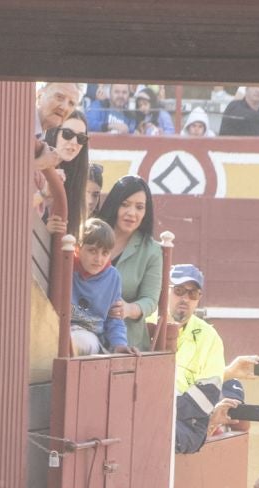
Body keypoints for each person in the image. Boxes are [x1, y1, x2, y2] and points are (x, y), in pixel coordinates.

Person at [156, 263, 258, 453]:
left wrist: (165, 411)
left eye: (192, 294)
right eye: (178, 290)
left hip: (186, 426)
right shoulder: (144, 322)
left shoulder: (209, 337)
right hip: (147, 415)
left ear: (199, 299)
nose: (185, 298)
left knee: (156, 433)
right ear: (164, 291)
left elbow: (207, 392)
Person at [100, 175, 163, 351]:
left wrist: (128, 309)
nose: (132, 213)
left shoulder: (152, 250)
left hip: (128, 342)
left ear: (146, 212)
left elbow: (150, 300)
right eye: (125, 204)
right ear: (114, 204)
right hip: (84, 331)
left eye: (139, 207)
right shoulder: (92, 233)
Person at [69, 218, 130, 356]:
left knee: (79, 341)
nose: (99, 259)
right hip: (61, 331)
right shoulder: (68, 268)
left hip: (91, 337)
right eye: (92, 251)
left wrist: (119, 344)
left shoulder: (113, 277)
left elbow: (114, 318)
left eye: (105, 253)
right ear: (78, 249)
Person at [41, 110, 91, 237]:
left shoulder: (76, 179)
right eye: (68, 134)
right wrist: (44, 230)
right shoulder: (35, 165)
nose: (74, 142)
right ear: (54, 133)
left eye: (81, 138)